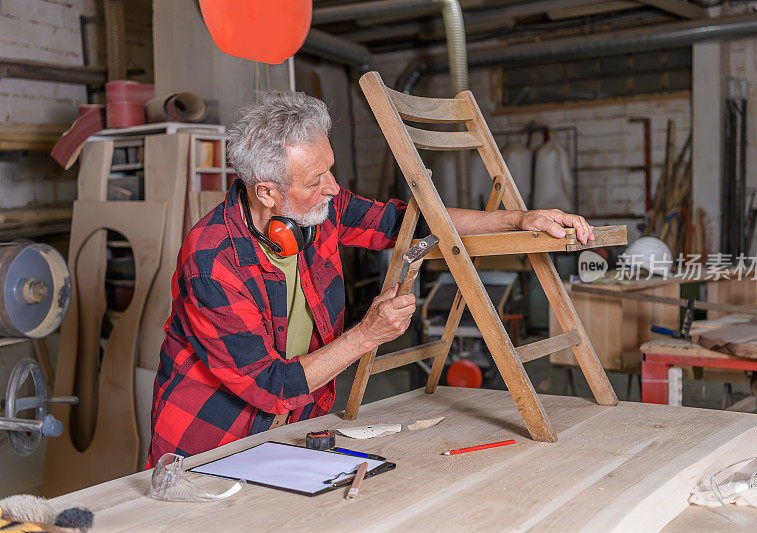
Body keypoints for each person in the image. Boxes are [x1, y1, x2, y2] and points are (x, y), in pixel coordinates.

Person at [147, 90, 594, 466]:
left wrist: (517, 219)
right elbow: (270, 386)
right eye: (316, 177)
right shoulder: (211, 262)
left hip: (299, 425)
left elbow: (411, 222)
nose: (333, 188)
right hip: (211, 445)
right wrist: (368, 335)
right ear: (266, 191)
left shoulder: (320, 212)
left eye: (330, 167)